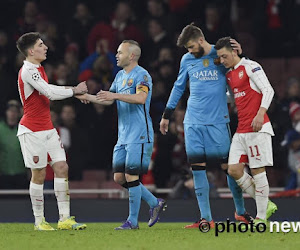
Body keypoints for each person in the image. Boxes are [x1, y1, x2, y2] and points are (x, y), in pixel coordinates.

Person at [159, 24, 275, 229]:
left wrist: (241, 53)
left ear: (201, 40)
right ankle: (206, 218)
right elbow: (178, 87)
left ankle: (241, 212)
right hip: (193, 122)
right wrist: (167, 115)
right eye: (187, 48)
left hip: (218, 122)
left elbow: (240, 68)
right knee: (197, 169)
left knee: (229, 169)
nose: (189, 51)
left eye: (191, 46)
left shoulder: (220, 55)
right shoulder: (187, 60)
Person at [76, 40, 166, 230]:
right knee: (119, 178)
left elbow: (141, 98)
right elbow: (108, 100)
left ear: (131, 55)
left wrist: (115, 96)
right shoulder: (119, 76)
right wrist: (89, 98)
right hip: (123, 135)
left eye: (119, 52)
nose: (116, 55)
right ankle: (153, 202)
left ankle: (132, 221)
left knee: (131, 176)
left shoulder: (142, 75)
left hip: (140, 133)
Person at [16, 32, 87, 231]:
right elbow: (49, 92)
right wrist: (75, 90)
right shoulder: (28, 70)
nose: (45, 47)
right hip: (31, 130)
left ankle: (64, 219)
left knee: (62, 167)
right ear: (31, 51)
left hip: (48, 128)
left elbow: (49, 89)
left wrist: (76, 92)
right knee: (38, 174)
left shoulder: (38, 68)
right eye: (41, 44)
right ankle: (40, 221)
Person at [215, 36, 277, 223]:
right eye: (220, 58)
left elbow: (268, 90)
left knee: (258, 170)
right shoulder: (229, 75)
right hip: (242, 130)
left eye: (225, 56)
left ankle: (260, 217)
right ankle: (265, 203)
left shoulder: (251, 66)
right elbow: (232, 98)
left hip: (258, 127)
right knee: (233, 170)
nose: (223, 61)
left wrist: (260, 113)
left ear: (235, 52)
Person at [0, 100, 27, 189]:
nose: (12, 113)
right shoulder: (1, 128)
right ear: (6, 112)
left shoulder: (24, 129)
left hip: (21, 173)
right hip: (3, 173)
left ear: (19, 113)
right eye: (10, 110)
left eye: (15, 111)